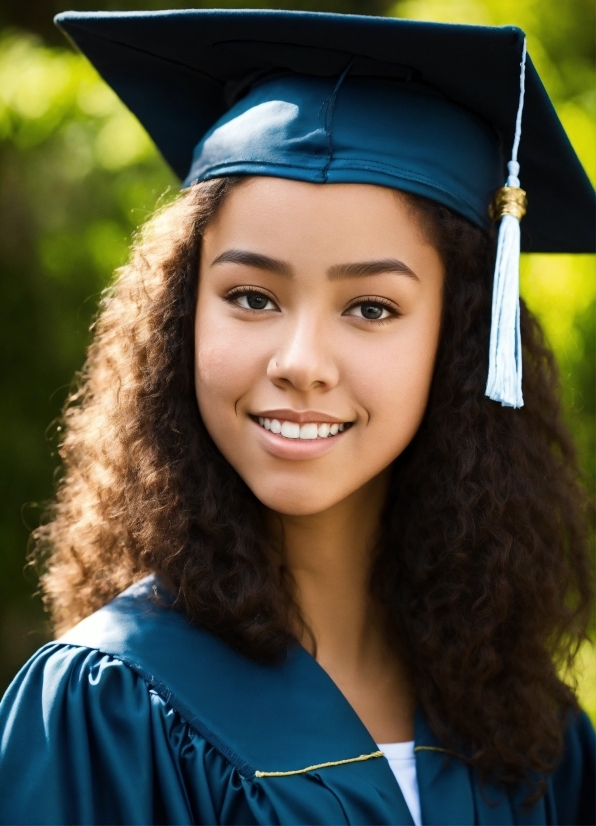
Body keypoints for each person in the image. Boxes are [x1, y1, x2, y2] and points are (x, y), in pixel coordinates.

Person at [0, 9, 594, 826]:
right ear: (181, 316)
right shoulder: (111, 706)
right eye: (252, 296)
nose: (300, 360)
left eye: (373, 308)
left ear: (458, 344)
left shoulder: (538, 735)